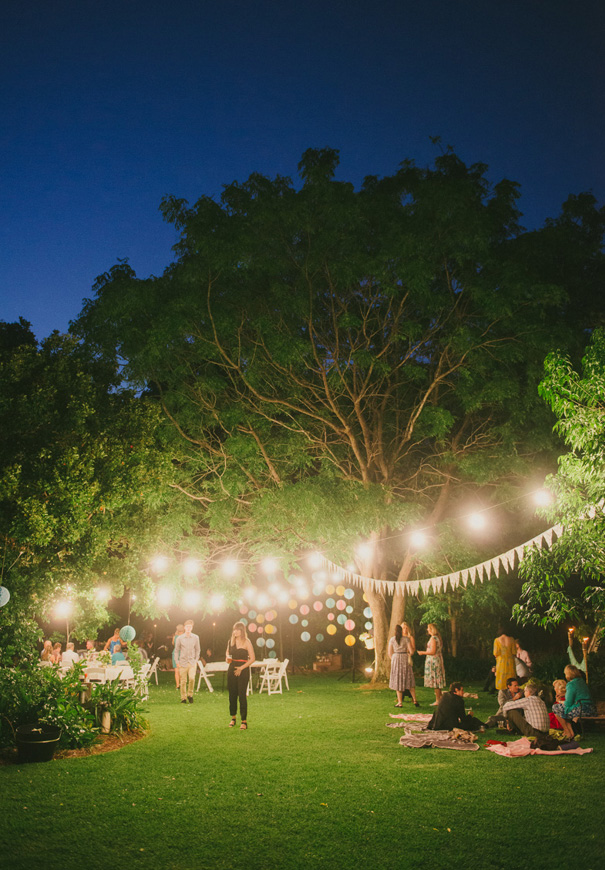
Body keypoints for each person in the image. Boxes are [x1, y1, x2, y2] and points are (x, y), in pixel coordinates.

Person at [551, 665, 596, 739]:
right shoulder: (581, 682)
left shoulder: (571, 684)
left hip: (581, 710)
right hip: (591, 709)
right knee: (564, 710)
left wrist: (560, 701)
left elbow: (568, 703)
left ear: (568, 674)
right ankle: (571, 732)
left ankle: (567, 731)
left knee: (556, 707)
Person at [226, 622, 255, 730]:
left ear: (242, 631)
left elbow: (252, 658)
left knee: (242, 695)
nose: (235, 632)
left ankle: (244, 721)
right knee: (232, 695)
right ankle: (233, 717)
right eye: (234, 630)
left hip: (243, 670)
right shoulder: (230, 642)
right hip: (232, 669)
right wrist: (227, 659)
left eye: (238, 630)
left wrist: (241, 668)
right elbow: (227, 654)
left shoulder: (247, 642)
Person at [388, 622, 419, 707]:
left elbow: (389, 652)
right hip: (405, 657)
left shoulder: (392, 639)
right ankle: (415, 700)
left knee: (398, 679)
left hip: (396, 658)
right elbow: (411, 651)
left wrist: (393, 658)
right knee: (409, 678)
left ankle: (400, 702)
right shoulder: (406, 639)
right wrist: (408, 654)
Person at [417, 624, 446, 705]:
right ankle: (440, 699)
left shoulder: (434, 638)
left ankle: (438, 700)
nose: (427, 630)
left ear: (431, 629)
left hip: (434, 661)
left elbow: (433, 651)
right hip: (437, 659)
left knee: (436, 681)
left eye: (428, 628)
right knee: (437, 680)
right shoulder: (438, 637)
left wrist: (422, 652)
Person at [175, 619, 200, 704]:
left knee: (192, 678)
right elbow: (176, 650)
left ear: (192, 628)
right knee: (183, 681)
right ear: (184, 627)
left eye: (190, 627)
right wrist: (177, 661)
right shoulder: (180, 638)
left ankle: (190, 694)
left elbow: (197, 649)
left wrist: (196, 659)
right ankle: (183, 698)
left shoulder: (196, 637)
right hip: (183, 662)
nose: (188, 628)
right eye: (187, 627)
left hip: (192, 662)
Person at [172, 624, 184, 689]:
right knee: (182, 670)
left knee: (176, 670)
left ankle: (177, 685)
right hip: (181, 654)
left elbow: (173, 644)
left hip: (175, 653)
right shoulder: (184, 637)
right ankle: (181, 684)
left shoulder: (175, 637)